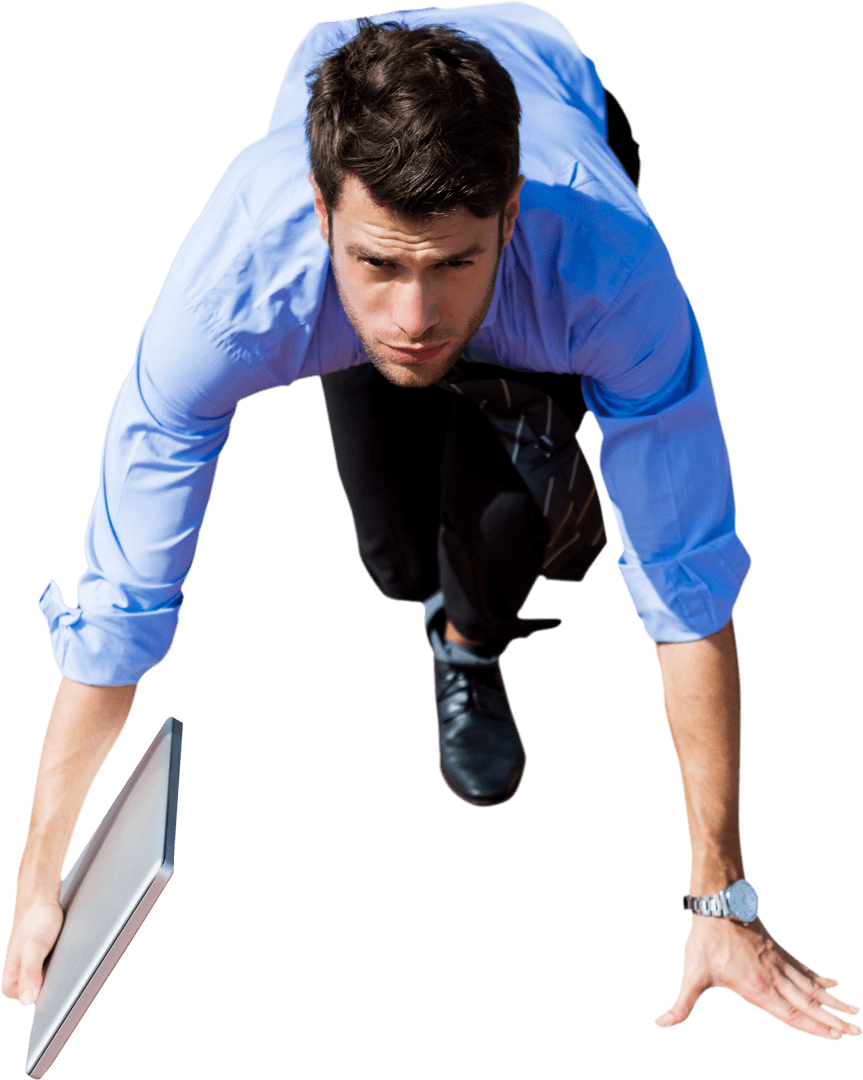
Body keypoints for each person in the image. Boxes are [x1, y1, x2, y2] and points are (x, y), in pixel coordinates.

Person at [2, 1, 859, 1041]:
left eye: (449, 263)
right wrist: (42, 868)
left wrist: (719, 897)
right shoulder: (233, 299)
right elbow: (123, 605)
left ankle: (482, 609)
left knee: (499, 523)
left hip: (549, 165)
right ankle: (451, 509)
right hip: (353, 267)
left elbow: (687, 581)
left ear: (505, 214)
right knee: (395, 558)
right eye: (380, 264)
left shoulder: (609, 271)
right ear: (322, 220)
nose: (412, 319)